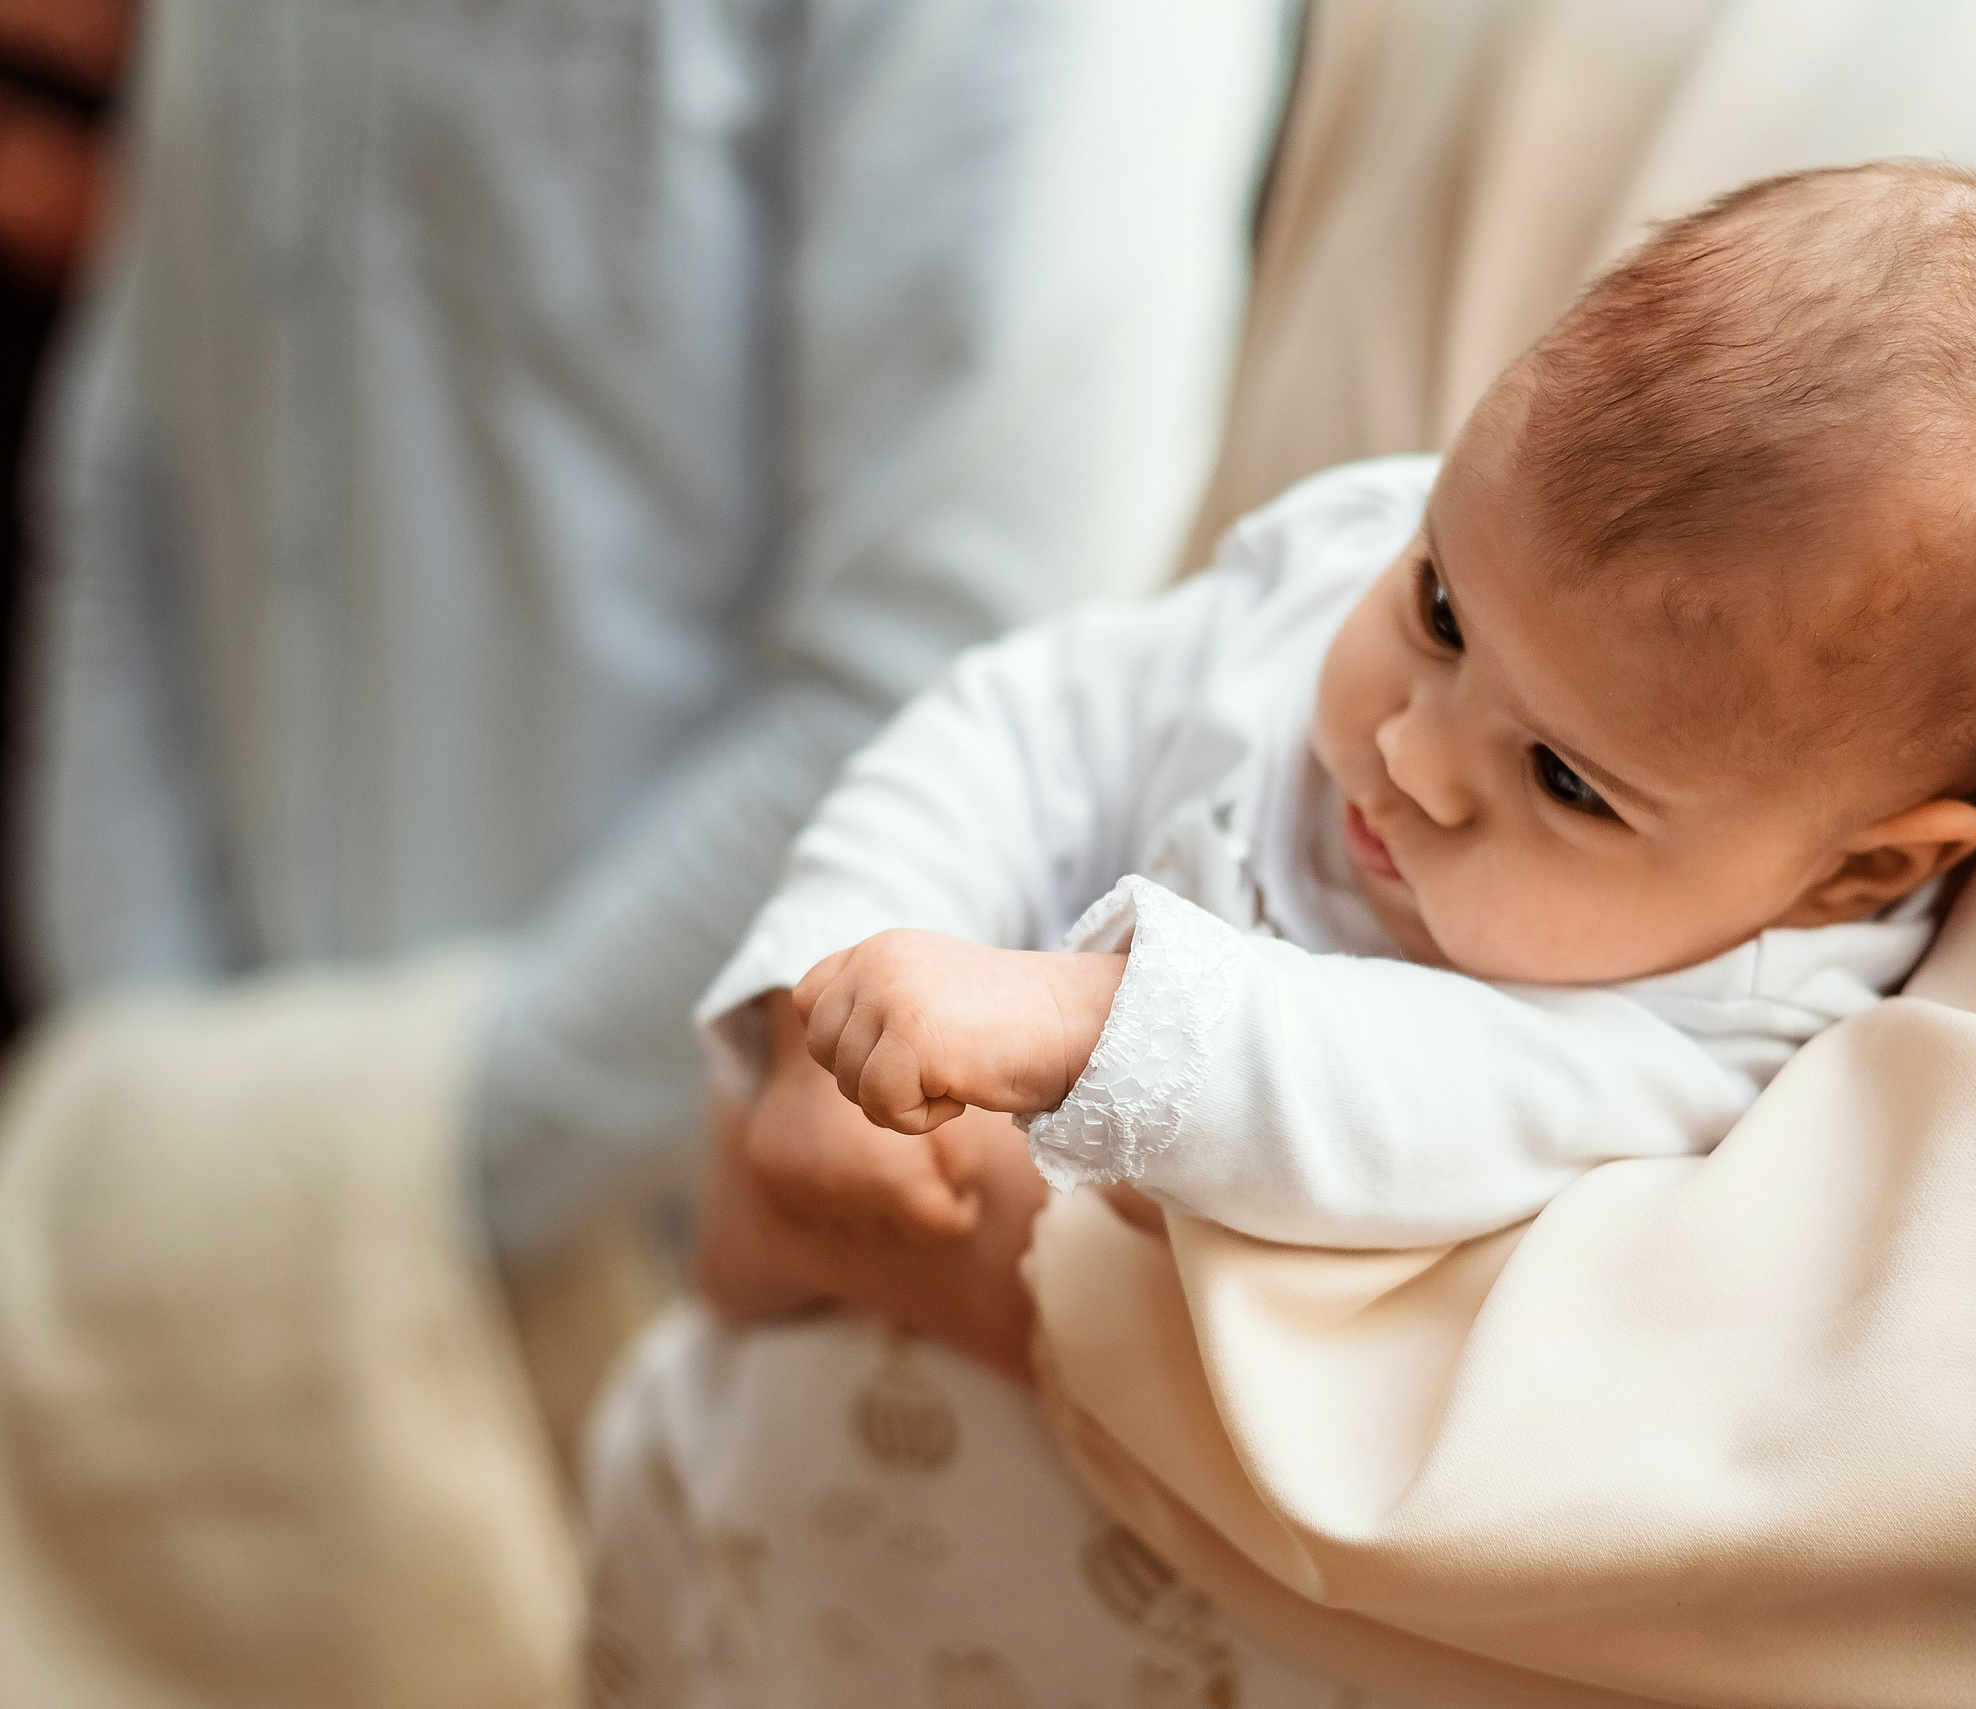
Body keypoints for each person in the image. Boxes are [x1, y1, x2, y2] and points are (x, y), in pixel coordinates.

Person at [585, 162, 1976, 1704]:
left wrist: (1088, 1021)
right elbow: (1029, 725)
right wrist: (838, 973)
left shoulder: (1739, 1023)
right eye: (1438, 611)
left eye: (1567, 779)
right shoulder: (1351, 556)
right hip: (785, 1532)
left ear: (1850, 874)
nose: (1415, 757)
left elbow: (1431, 1088)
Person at [1, 0, 1290, 1698]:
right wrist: (185, 1116)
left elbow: (954, 652)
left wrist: (409, 1150)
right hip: (179, 1262)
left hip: (686, 1312)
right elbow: (133, 460)